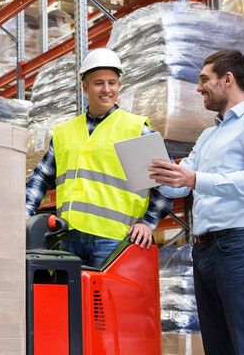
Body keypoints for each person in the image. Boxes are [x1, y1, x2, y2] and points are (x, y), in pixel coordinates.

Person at [148, 49, 244, 354]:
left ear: (228, 80)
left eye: (204, 79)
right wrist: (159, 177)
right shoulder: (208, 135)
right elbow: (182, 187)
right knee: (218, 347)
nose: (198, 88)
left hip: (237, 247)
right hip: (205, 250)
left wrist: (194, 179)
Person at [25, 48, 172, 267]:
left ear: (119, 86)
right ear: (85, 87)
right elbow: (42, 176)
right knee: (73, 300)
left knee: (105, 301)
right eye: (98, 83)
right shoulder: (65, 131)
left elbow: (167, 183)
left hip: (114, 239)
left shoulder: (134, 128)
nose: (106, 90)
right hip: (68, 236)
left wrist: (148, 224)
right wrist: (25, 212)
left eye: (112, 82)